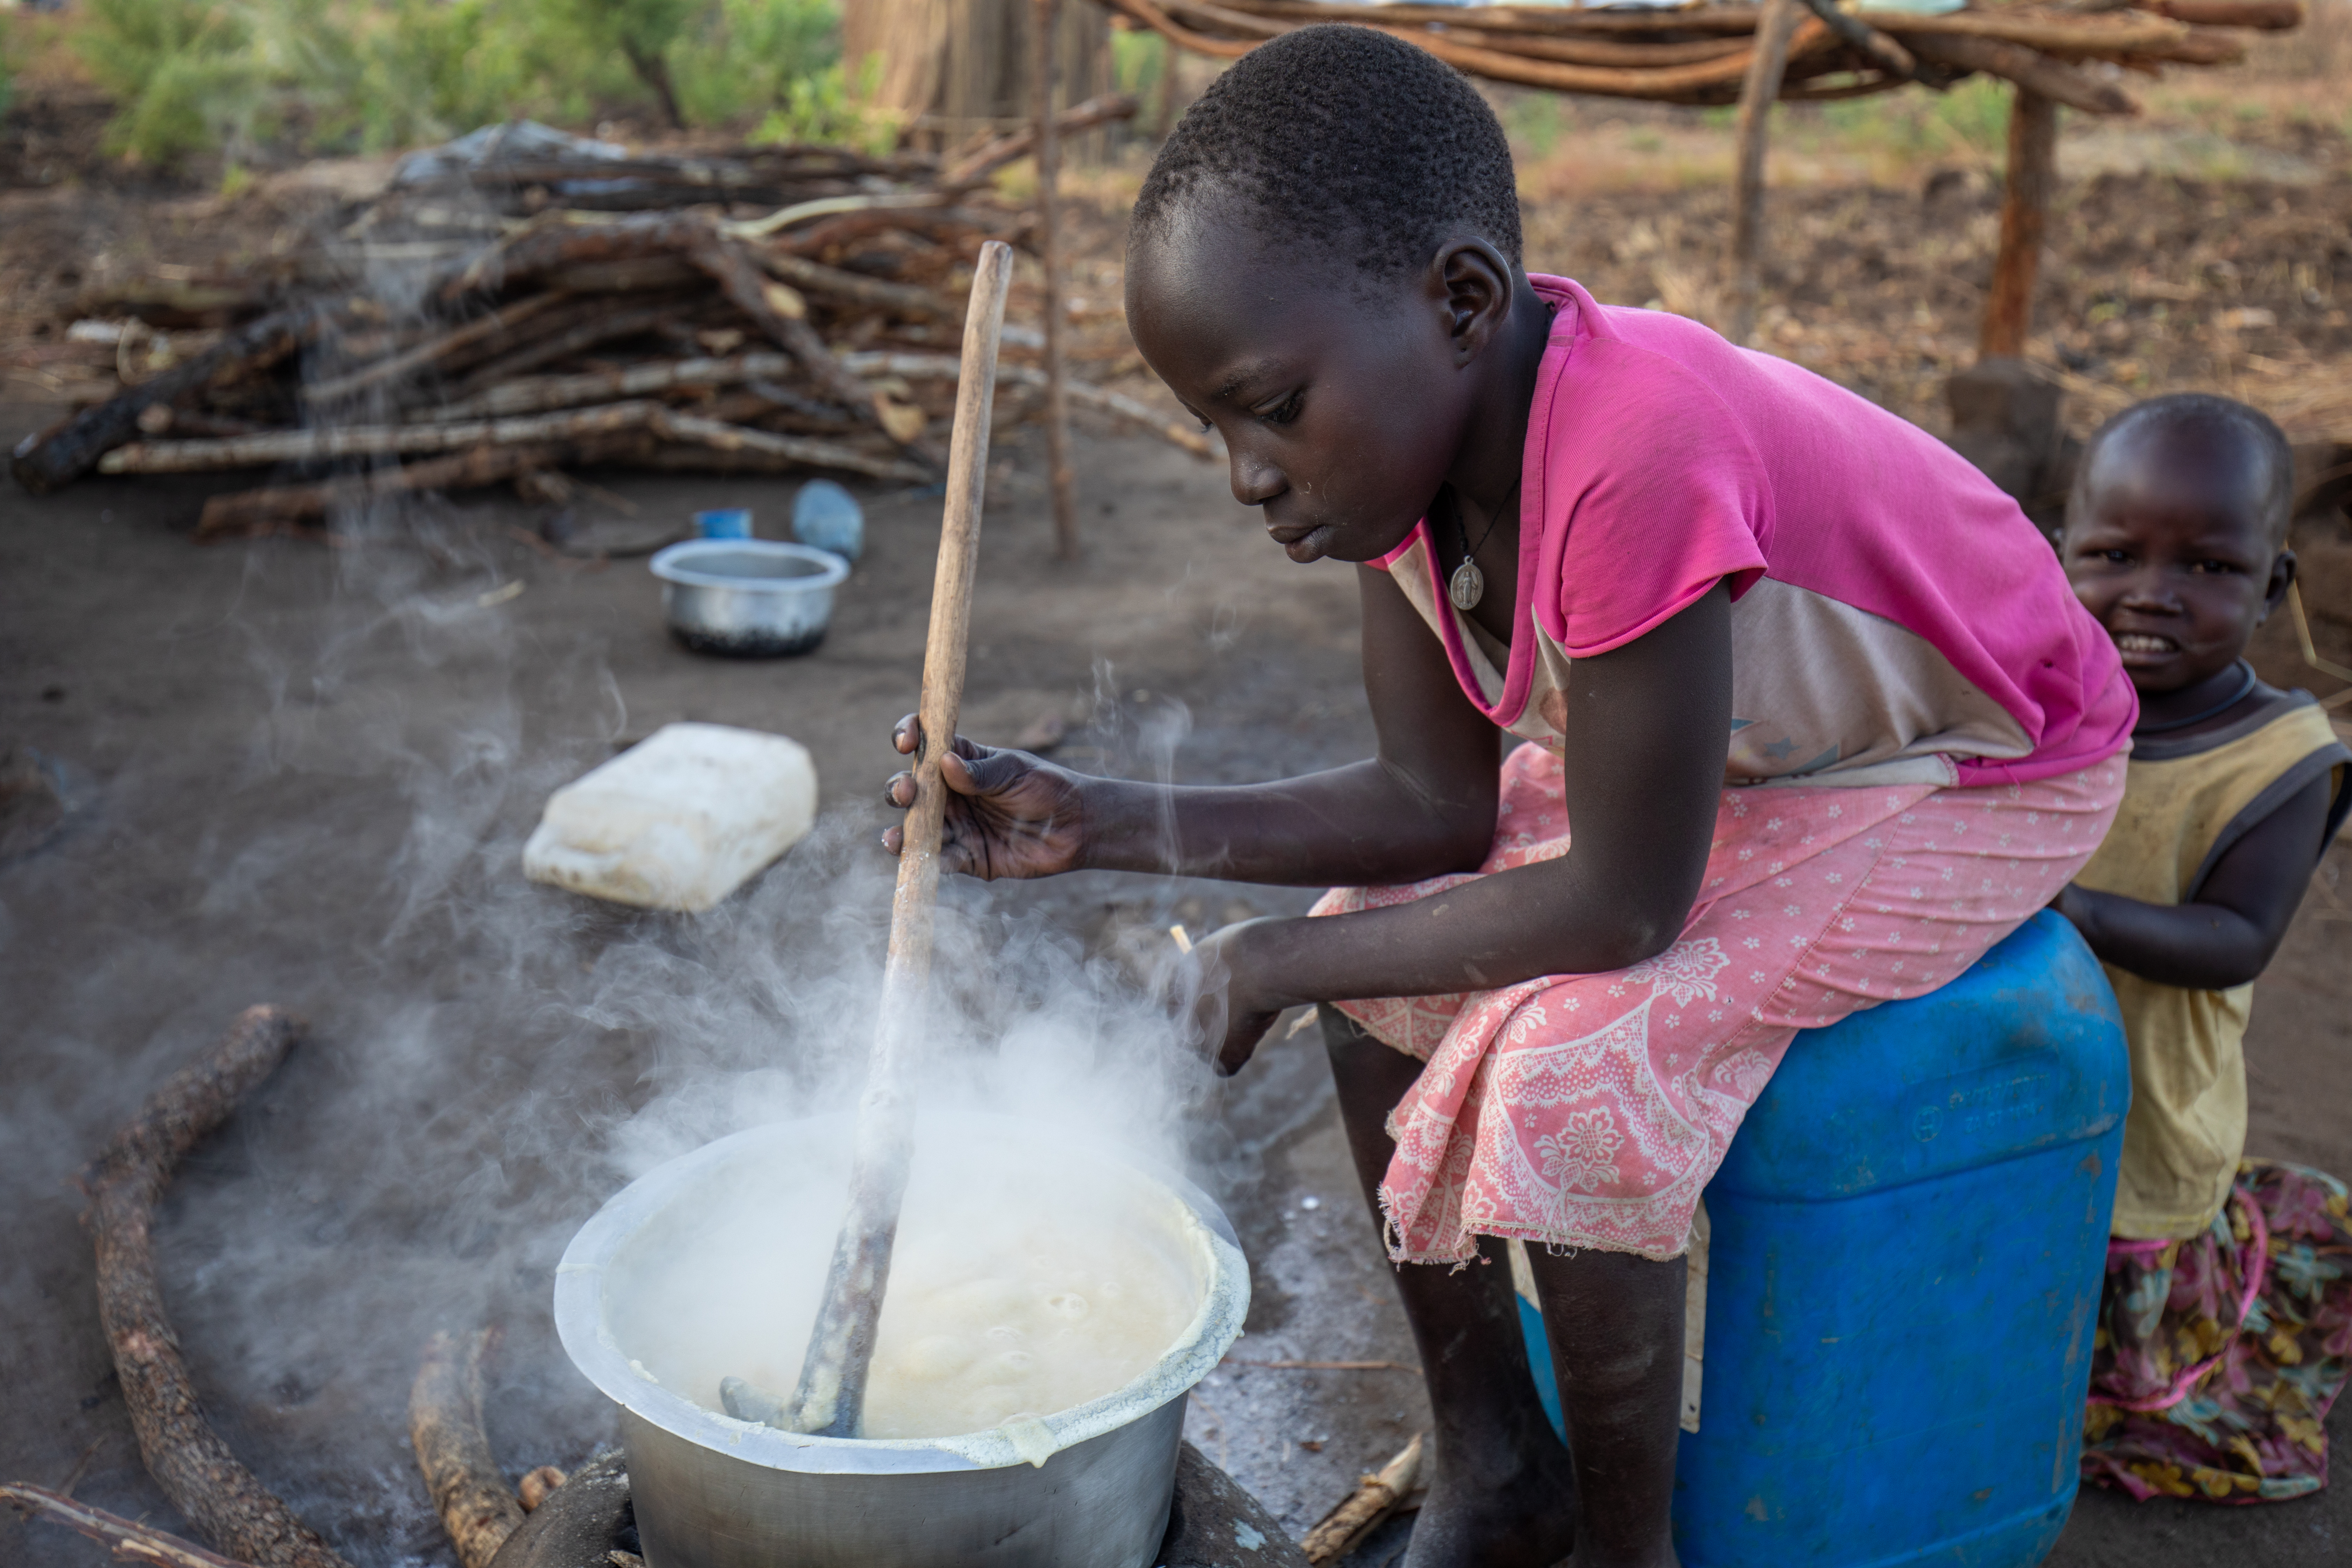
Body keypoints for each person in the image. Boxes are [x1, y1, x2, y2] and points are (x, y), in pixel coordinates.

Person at [885, 27, 2132, 1566]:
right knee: (1375, 945)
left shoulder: (1635, 451)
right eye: (1218, 426)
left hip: (1990, 763)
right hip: (1769, 758)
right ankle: (1496, 1464)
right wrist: (1105, 821)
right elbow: (1432, 810)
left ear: (1462, 303)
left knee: (1569, 1062)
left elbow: (1621, 903)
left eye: (1272, 404)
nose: (1245, 474)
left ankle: (1628, 1547)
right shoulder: (1403, 478)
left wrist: (1257, 962)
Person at [2051, 393, 2352, 1504]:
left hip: (2150, 1107)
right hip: (2017, 1077)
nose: (2153, 594)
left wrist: (2074, 914)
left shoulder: (2280, 760)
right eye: (2115, 554)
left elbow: (2237, 940)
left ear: (2275, 587)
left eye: (2211, 568)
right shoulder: (2037, 700)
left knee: (2112, 1373)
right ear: (2057, 553)